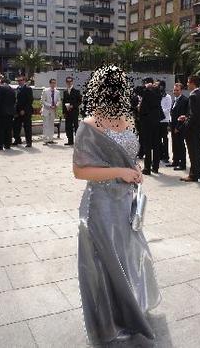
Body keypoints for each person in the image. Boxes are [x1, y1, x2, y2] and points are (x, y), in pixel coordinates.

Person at [73, 64, 161, 346]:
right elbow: (80, 171)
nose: (115, 91)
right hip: (100, 205)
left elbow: (129, 157)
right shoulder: (88, 125)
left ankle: (128, 309)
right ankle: (111, 319)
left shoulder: (127, 120)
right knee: (104, 263)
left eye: (119, 86)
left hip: (125, 203)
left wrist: (135, 169)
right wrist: (121, 173)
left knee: (128, 258)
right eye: (112, 86)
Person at [179, 76, 200, 182]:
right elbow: (199, 114)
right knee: (198, 151)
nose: (187, 84)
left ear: (193, 83)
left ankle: (193, 175)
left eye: (188, 82)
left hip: (192, 129)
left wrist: (184, 126)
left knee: (193, 152)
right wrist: (186, 117)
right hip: (199, 128)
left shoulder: (193, 96)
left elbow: (193, 115)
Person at [138, 77, 163, 175]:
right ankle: (155, 167)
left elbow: (137, 90)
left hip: (147, 121)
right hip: (156, 120)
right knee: (156, 145)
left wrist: (146, 86)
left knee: (147, 145)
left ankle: (147, 168)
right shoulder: (158, 91)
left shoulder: (147, 91)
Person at [168, 83, 188, 170]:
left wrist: (178, 127)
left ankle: (182, 163)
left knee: (180, 145)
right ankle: (175, 161)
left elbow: (184, 114)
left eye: (177, 90)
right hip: (173, 125)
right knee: (174, 144)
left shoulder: (184, 100)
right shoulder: (174, 100)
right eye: (174, 90)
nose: (175, 92)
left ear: (181, 90)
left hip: (180, 126)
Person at [0, 79, 16, 150]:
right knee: (8, 130)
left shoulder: (0, 88)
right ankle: (7, 144)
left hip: (1, 113)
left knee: (0, 130)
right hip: (10, 113)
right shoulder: (12, 90)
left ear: (2, 83)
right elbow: (14, 101)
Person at [13, 75, 34, 147]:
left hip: (26, 111)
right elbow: (16, 101)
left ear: (24, 81)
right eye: (18, 81)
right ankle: (17, 140)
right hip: (18, 112)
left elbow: (30, 101)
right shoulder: (17, 89)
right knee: (16, 127)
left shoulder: (28, 89)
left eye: (21, 80)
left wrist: (23, 110)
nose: (19, 82)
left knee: (27, 127)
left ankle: (29, 142)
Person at [62, 76, 81, 145]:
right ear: (66, 82)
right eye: (67, 81)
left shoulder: (76, 91)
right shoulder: (65, 92)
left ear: (72, 82)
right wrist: (64, 112)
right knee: (68, 127)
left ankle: (78, 142)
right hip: (67, 112)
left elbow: (79, 101)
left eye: (70, 81)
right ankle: (70, 141)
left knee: (76, 126)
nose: (69, 83)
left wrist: (73, 105)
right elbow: (63, 102)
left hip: (74, 112)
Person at [41, 79, 61, 145]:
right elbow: (43, 101)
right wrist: (50, 105)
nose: (53, 84)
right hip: (46, 110)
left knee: (51, 125)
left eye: (54, 83)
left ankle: (51, 139)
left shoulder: (57, 92)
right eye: (52, 83)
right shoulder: (45, 91)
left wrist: (56, 105)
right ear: (50, 84)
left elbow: (59, 101)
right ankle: (45, 140)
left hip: (53, 110)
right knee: (46, 125)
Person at [157, 80, 172, 163]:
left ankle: (166, 156)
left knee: (164, 139)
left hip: (164, 120)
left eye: (161, 86)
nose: (160, 87)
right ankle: (160, 154)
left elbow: (168, 109)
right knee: (158, 139)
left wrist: (159, 111)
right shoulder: (157, 95)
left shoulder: (168, 97)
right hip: (157, 120)